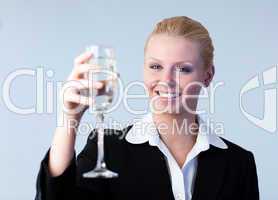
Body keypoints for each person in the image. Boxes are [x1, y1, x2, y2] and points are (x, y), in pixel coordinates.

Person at [35, 16, 260, 200]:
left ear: (208, 76)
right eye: (155, 66)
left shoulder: (239, 164)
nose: (166, 80)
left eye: (183, 69)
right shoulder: (107, 149)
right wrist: (69, 119)